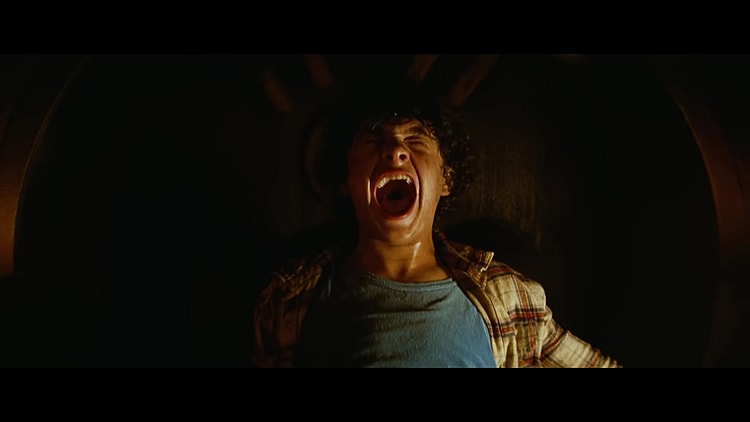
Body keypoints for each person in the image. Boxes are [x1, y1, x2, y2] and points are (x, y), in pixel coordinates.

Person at [252, 77, 620, 368]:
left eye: (415, 139)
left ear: (446, 179)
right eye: (374, 137)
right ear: (345, 181)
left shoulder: (509, 298)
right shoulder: (287, 300)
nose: (395, 150)